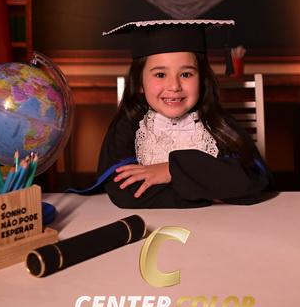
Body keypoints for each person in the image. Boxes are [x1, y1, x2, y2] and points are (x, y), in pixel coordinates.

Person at [92, 19, 273, 208]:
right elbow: (125, 192)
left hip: (218, 222)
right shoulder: (128, 126)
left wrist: (172, 170)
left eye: (186, 74)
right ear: (139, 83)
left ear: (202, 79)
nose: (174, 86)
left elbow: (249, 184)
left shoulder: (219, 123)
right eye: (160, 75)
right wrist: (209, 190)